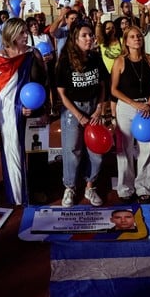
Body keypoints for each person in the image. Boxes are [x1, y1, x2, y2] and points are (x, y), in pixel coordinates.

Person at [0, 18, 49, 206]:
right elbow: (0, 94)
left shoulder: (35, 54)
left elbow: (44, 82)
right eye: (22, 32)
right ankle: (18, 190)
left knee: (38, 152)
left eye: (26, 31)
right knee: (14, 150)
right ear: (11, 34)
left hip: (37, 111)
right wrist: (18, 107)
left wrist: (44, 109)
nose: (26, 36)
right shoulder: (0, 59)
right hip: (12, 114)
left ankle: (39, 188)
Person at [56, 22, 109, 207]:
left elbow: (103, 85)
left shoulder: (95, 57)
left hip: (94, 108)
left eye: (91, 35)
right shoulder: (65, 60)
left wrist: (99, 108)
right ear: (75, 39)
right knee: (72, 150)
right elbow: (61, 93)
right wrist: (79, 116)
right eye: (85, 36)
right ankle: (70, 187)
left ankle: (90, 185)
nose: (90, 39)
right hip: (73, 110)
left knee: (97, 151)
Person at [111, 25, 150, 203]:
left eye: (139, 36)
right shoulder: (120, 61)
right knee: (124, 148)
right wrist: (134, 103)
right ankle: (125, 188)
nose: (136, 39)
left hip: (146, 108)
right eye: (132, 37)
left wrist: (149, 103)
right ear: (126, 41)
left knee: (146, 148)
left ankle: (145, 187)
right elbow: (114, 90)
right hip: (126, 107)